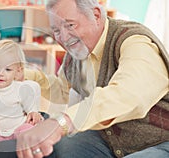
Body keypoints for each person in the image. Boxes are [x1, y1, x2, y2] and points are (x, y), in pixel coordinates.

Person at [17, 0, 169, 158]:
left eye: (70, 25)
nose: (63, 37)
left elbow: (127, 94)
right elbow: (62, 90)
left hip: (161, 142)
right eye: (56, 30)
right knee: (62, 145)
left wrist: (64, 122)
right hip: (111, 142)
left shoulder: (134, 41)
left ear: (96, 15)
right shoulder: (75, 56)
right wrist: (21, 75)